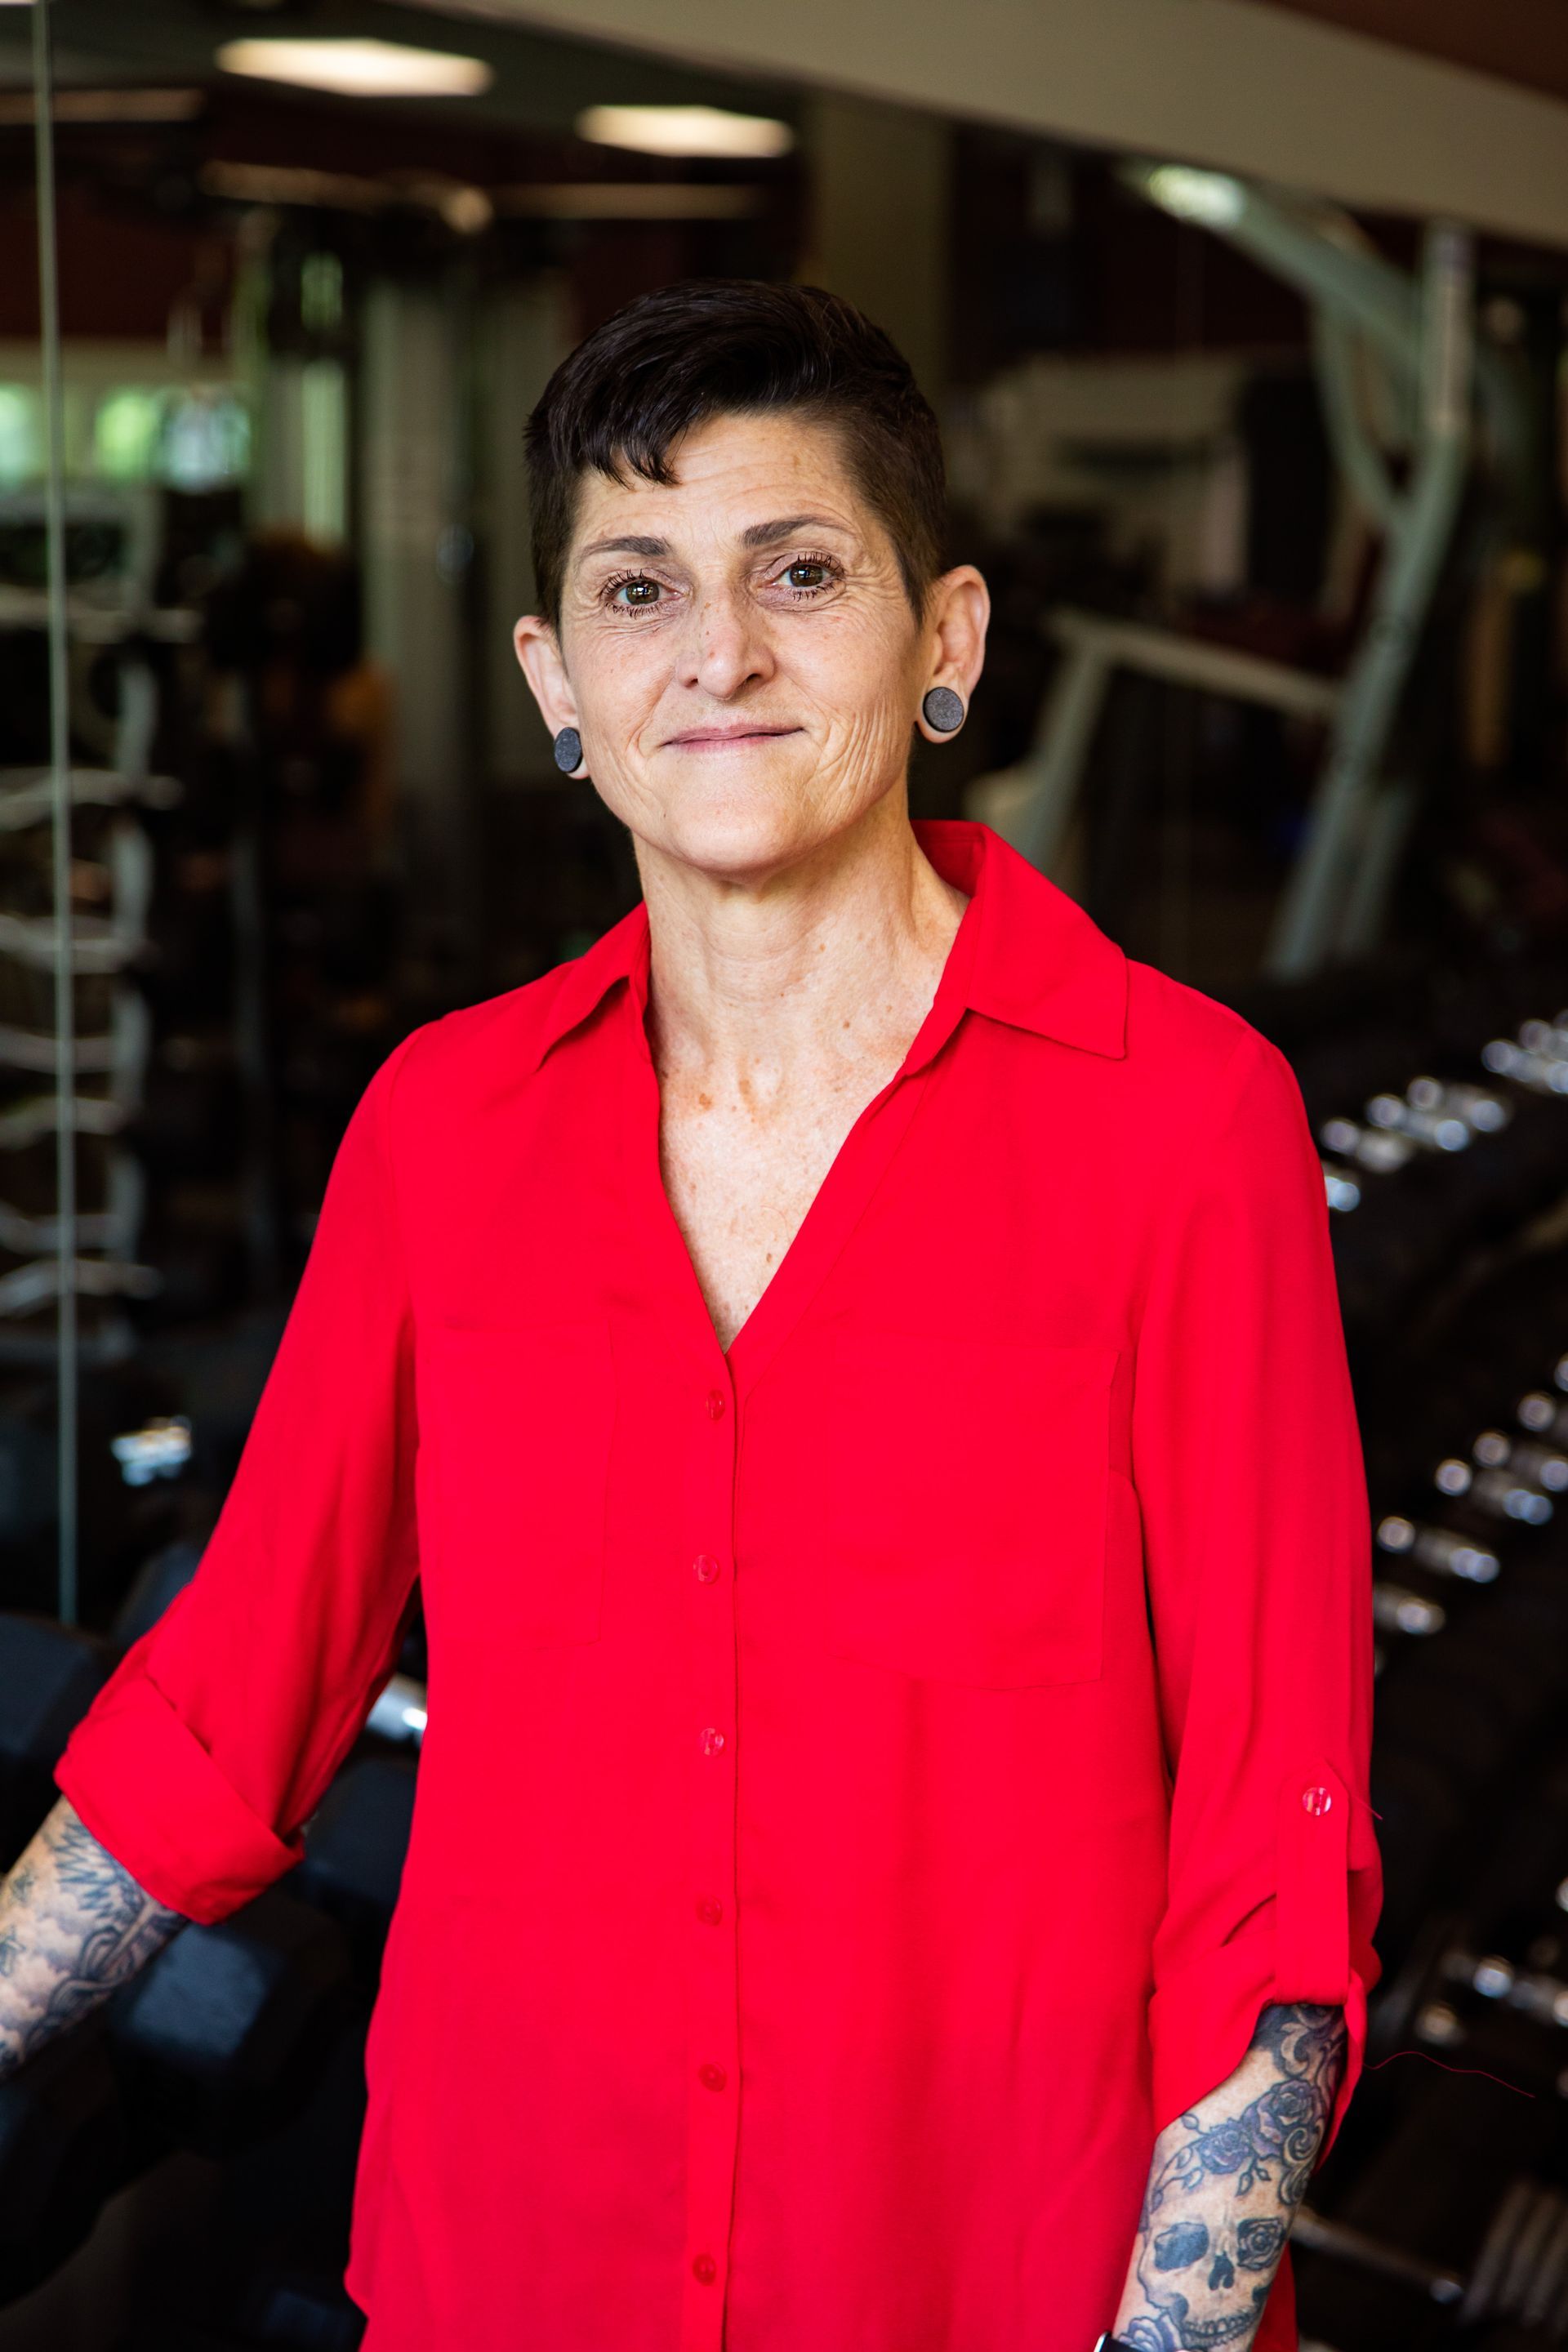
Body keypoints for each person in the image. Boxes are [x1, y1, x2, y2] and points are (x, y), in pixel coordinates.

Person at [0, 280, 1379, 2352]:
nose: (716, 653)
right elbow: (223, 1707)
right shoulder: (445, 1129)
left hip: (988, 2288)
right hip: (511, 2279)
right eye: (638, 591)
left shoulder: (1185, 1126)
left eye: (798, 572)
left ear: (949, 643)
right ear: (558, 679)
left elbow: (1276, 1851)